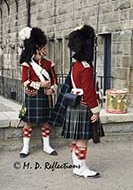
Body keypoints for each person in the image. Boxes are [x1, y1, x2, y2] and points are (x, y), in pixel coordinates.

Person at [61, 25, 100, 178]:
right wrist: (95, 110)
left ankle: (77, 166)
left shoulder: (76, 65)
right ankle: (82, 168)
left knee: (76, 139)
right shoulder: (86, 67)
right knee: (82, 139)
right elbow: (89, 91)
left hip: (74, 104)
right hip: (84, 104)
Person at [19, 27, 58, 158]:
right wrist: (41, 85)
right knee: (28, 122)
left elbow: (55, 81)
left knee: (45, 121)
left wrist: (52, 89)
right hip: (32, 95)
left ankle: (47, 146)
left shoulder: (49, 64)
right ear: (37, 49)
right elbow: (25, 81)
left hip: (45, 97)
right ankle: (25, 147)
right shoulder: (27, 64)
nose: (46, 50)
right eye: (44, 48)